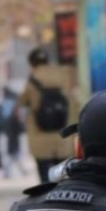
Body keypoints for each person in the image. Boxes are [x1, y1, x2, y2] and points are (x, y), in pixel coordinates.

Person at [18, 48, 72, 183]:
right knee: (62, 175)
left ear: (32, 63)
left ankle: (47, 192)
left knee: (44, 175)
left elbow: (22, 101)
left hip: (40, 135)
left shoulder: (33, 79)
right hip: (61, 134)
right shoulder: (63, 75)